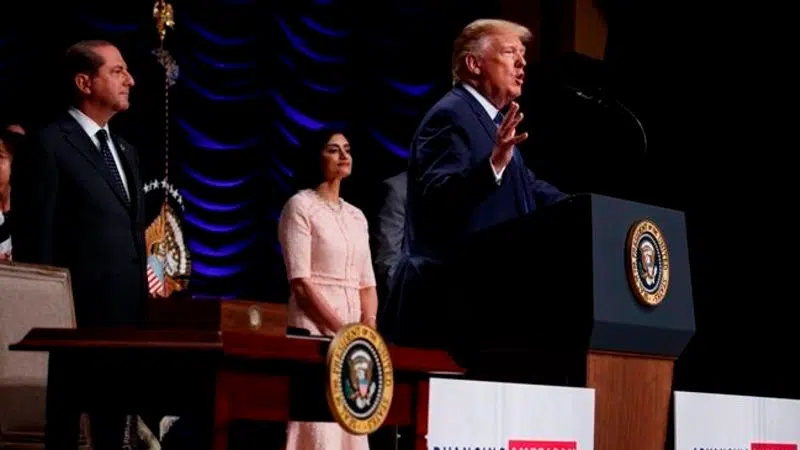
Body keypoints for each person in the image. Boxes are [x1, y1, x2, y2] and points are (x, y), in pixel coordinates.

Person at [399, 19, 569, 347]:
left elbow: (529, 187)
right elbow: (438, 198)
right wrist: (493, 166)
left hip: (490, 301)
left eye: (522, 55)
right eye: (509, 52)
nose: (522, 63)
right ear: (473, 64)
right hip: (451, 303)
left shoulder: (493, 123)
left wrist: (583, 207)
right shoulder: (450, 115)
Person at [10, 40, 146, 448]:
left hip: (125, 326)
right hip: (72, 327)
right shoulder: (49, 145)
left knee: (112, 435)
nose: (130, 80)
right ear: (85, 82)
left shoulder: (126, 152)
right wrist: (52, 318)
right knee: (67, 435)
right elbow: (36, 245)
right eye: (117, 71)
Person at [278, 128, 377, 450]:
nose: (344, 155)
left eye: (347, 149)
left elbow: (367, 283)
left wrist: (367, 331)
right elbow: (301, 283)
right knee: (319, 432)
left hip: (353, 344)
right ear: (316, 157)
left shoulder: (357, 216)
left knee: (351, 432)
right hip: (313, 334)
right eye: (333, 150)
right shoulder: (300, 206)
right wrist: (343, 331)